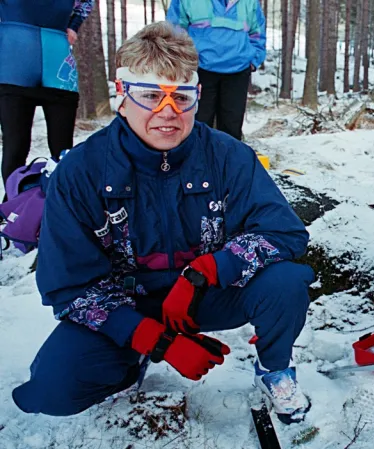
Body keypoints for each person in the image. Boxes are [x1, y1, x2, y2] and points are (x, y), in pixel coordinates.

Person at [12, 22, 315, 425]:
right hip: (128, 304)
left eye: (181, 97)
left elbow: (285, 232)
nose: (167, 113)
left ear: (198, 96)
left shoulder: (229, 156)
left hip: (207, 294)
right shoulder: (81, 172)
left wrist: (207, 270)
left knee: (286, 282)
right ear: (122, 96)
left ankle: (275, 368)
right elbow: (69, 287)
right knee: (51, 390)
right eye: (151, 96)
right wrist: (153, 340)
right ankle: (130, 360)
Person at [0, 0, 92, 188]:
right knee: (15, 148)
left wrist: (74, 26)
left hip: (57, 60)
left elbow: (86, 2)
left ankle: (63, 209)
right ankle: (11, 210)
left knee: (63, 152)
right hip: (13, 59)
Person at [167, 0, 266, 141]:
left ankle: (229, 161)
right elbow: (174, 30)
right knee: (197, 123)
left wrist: (253, 60)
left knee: (232, 127)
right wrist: (183, 61)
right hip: (199, 70)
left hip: (238, 71)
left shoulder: (250, 2)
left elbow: (257, 32)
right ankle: (195, 161)